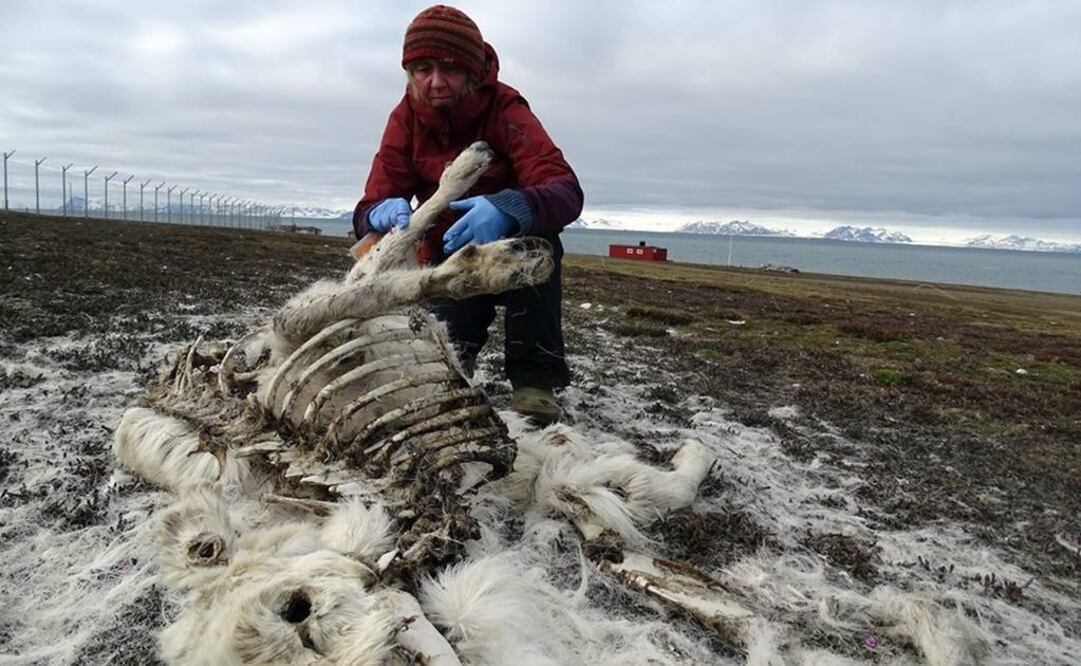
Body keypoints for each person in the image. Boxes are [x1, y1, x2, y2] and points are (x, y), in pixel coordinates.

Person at [353, 5, 583, 424]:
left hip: (512, 245)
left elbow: (565, 190)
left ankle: (534, 383)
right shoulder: (405, 119)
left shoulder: (505, 109)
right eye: (422, 69)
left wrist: (509, 208)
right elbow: (373, 201)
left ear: (473, 70)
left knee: (541, 247)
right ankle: (455, 366)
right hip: (446, 252)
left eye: (450, 68)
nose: (435, 82)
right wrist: (375, 214)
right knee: (445, 359)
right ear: (409, 72)